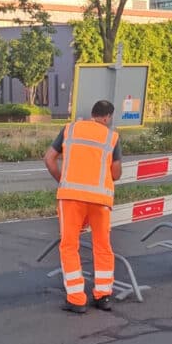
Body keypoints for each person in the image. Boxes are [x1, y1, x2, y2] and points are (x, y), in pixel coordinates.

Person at [43, 100, 122, 314]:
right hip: (100, 201)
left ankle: (77, 299)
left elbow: (49, 158)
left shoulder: (70, 129)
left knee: (69, 246)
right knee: (102, 246)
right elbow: (115, 173)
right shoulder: (111, 137)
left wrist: (63, 180)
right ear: (107, 117)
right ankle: (103, 296)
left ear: (92, 113)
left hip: (71, 197)